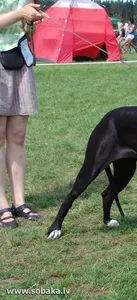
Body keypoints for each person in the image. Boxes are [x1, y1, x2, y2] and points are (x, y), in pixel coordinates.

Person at [0, 0, 48, 229]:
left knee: (18, 136)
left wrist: (31, 20)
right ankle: (2, 205)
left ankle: (19, 202)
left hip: (20, 59)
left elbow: (26, 30)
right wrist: (21, 12)